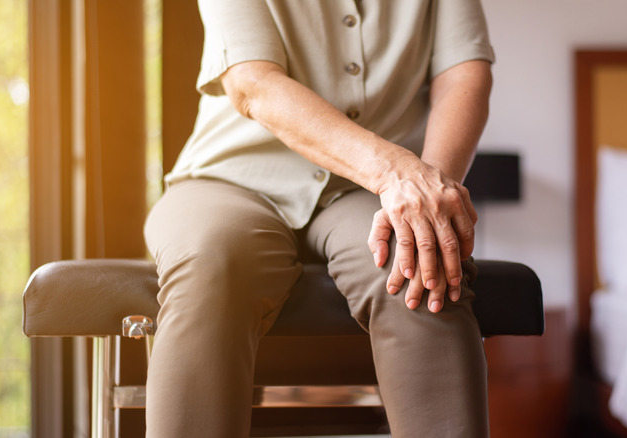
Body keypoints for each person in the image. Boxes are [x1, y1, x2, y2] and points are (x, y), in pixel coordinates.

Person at [143, 1, 495, 436]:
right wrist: (394, 172)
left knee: (418, 267)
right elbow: (253, 82)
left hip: (366, 193)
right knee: (210, 264)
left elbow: (464, 73)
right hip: (230, 177)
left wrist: (427, 193)